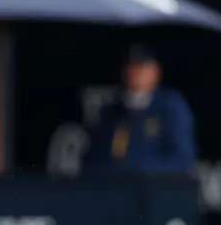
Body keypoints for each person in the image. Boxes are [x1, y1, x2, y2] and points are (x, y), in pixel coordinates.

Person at [82, 45, 196, 174]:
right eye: (132, 67)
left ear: (155, 72)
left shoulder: (170, 108)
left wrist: (140, 170)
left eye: (143, 67)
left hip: (156, 188)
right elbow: (92, 159)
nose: (137, 73)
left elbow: (181, 159)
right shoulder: (111, 112)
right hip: (114, 188)